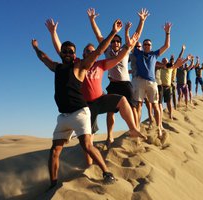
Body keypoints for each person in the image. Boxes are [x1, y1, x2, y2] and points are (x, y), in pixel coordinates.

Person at [31, 19, 123, 188]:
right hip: (63, 116)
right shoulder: (57, 67)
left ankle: (106, 172)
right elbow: (43, 58)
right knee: (54, 151)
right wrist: (36, 47)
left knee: (87, 145)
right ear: (62, 52)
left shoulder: (81, 66)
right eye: (64, 51)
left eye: (70, 51)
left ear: (74, 54)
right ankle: (53, 185)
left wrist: (113, 33)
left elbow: (99, 50)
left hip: (80, 112)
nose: (67, 53)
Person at [45, 19, 146, 166]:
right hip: (85, 107)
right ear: (83, 54)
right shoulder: (77, 64)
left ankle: (133, 129)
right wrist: (53, 33)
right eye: (87, 51)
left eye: (92, 51)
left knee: (122, 100)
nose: (90, 53)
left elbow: (118, 58)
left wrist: (128, 46)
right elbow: (61, 50)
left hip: (100, 99)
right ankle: (89, 166)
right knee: (88, 140)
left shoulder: (100, 64)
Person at [87, 8, 149, 147]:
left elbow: (136, 36)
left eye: (117, 42)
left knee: (133, 109)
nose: (115, 43)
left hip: (126, 84)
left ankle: (135, 131)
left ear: (120, 44)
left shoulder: (124, 51)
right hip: (113, 84)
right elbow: (98, 35)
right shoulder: (107, 50)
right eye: (113, 41)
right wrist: (92, 20)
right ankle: (110, 136)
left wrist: (142, 20)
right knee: (110, 112)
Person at [133, 22, 172, 139]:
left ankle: (159, 127)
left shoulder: (154, 55)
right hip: (139, 81)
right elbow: (135, 37)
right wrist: (141, 21)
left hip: (152, 82)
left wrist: (167, 32)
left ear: (151, 46)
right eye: (145, 44)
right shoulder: (137, 53)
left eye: (148, 44)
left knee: (155, 105)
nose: (146, 46)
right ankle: (137, 128)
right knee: (139, 105)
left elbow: (167, 46)